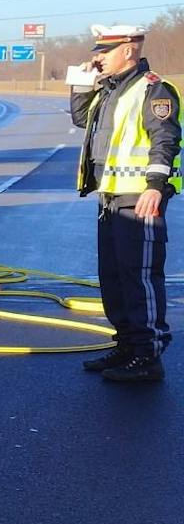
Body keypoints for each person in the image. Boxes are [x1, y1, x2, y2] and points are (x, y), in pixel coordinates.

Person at [72, 22, 180, 385]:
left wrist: (155, 185)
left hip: (139, 199)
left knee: (140, 278)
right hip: (110, 197)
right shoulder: (108, 91)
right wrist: (81, 85)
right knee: (114, 278)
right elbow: (80, 119)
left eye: (105, 51)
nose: (98, 58)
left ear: (129, 49)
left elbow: (164, 140)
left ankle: (147, 355)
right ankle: (127, 345)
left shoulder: (154, 90)